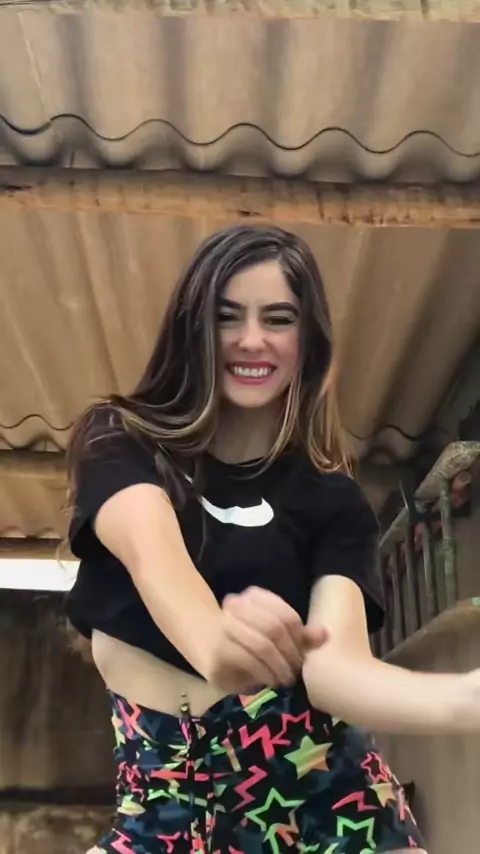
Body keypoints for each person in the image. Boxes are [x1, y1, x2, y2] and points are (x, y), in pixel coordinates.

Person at [67, 226, 479, 854]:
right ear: (191, 327)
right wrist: (217, 641)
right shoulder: (122, 442)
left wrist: (465, 699)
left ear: (307, 342)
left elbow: (336, 671)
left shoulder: (333, 501)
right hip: (165, 813)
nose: (252, 340)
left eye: (278, 319)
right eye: (226, 316)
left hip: (330, 807)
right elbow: (155, 562)